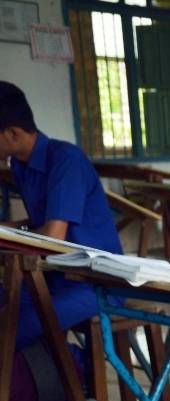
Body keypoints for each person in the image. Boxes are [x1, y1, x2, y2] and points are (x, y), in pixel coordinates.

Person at [0, 81, 123, 350]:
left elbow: (54, 237)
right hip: (53, 276)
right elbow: (40, 226)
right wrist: (8, 230)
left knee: (11, 330)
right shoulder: (21, 166)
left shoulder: (66, 160)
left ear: (12, 133)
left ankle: (76, 378)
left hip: (96, 284)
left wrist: (9, 236)